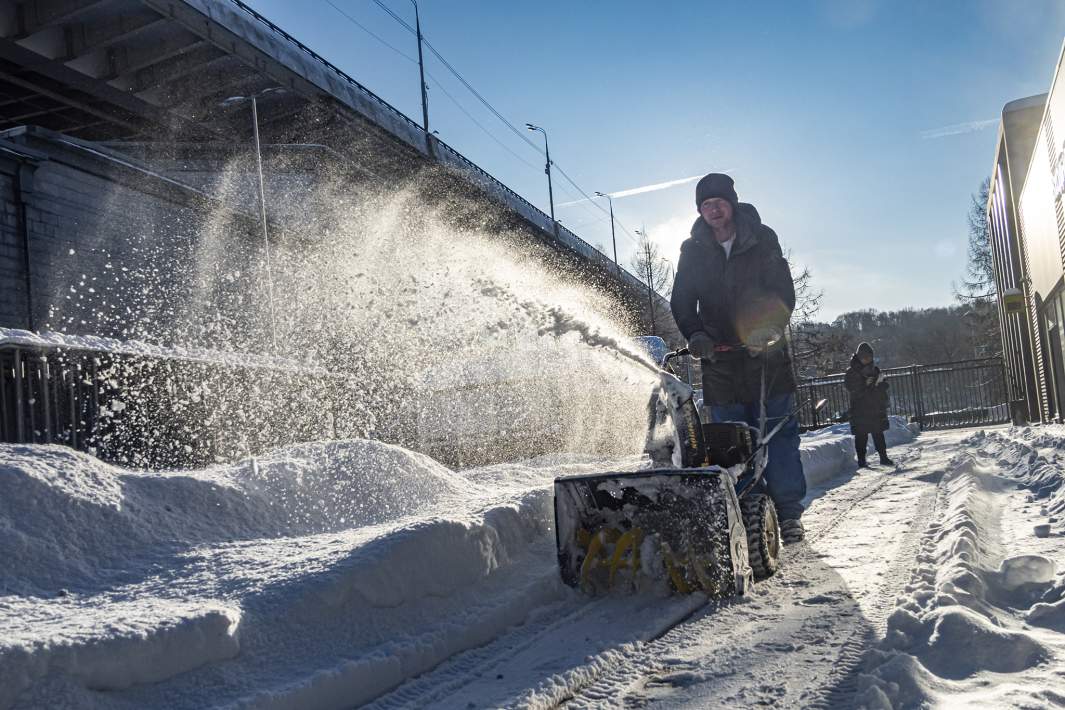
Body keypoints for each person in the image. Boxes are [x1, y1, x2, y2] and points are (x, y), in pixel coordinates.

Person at [670, 173, 807, 544]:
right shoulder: (693, 250)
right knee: (731, 440)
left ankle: (789, 513)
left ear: (731, 203)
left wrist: (770, 328)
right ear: (700, 210)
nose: (713, 210)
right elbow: (682, 299)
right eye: (706, 205)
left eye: (719, 202)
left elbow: (781, 290)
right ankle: (747, 511)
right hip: (720, 362)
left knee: (777, 433)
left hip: (767, 356)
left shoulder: (762, 238)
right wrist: (696, 334)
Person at [844, 342, 894, 468]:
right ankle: (861, 460)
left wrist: (881, 384)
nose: (867, 359)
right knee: (861, 435)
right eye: (864, 357)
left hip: (874, 406)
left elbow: (882, 385)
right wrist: (865, 384)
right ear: (859, 357)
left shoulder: (875, 370)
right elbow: (851, 388)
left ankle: (883, 457)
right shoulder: (852, 372)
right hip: (859, 408)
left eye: (869, 357)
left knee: (878, 433)